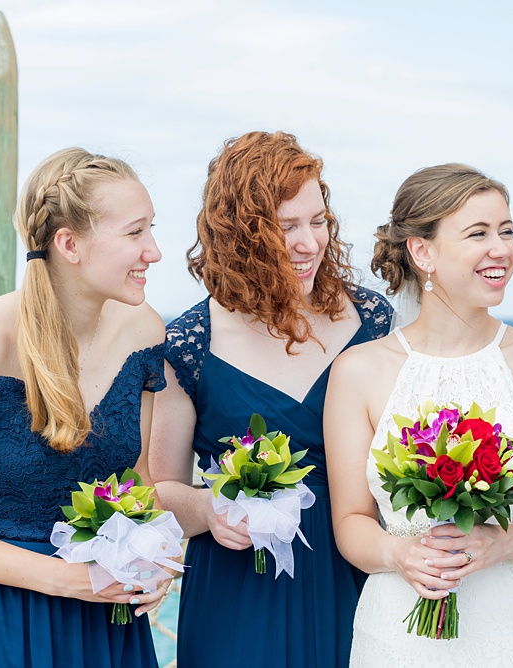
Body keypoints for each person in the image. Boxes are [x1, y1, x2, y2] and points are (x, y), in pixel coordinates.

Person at [325, 163, 513, 667]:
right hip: (400, 630)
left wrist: (503, 544)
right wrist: (398, 555)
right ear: (423, 251)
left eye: (507, 231)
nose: (501, 249)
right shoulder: (359, 371)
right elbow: (352, 522)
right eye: (479, 233)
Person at [149, 131, 393, 667]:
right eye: (286, 228)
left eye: (318, 221)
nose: (309, 243)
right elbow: (160, 489)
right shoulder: (190, 344)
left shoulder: (371, 321)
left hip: (359, 575)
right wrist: (209, 509)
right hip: (238, 592)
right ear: (239, 236)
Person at [0, 147, 169, 667]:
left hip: (108, 623)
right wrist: (69, 580)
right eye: (135, 233)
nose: (154, 251)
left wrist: (156, 555)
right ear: (69, 244)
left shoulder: (144, 331)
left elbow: (134, 475)